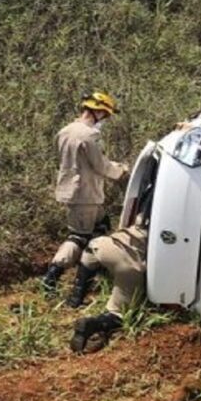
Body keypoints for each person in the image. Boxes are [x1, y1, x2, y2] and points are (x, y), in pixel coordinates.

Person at [42, 91, 128, 295]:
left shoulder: (65, 131)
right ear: (96, 111)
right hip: (85, 194)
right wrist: (122, 171)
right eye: (105, 115)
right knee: (79, 238)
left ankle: (91, 274)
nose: (105, 119)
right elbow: (101, 166)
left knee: (101, 226)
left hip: (72, 191)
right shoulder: (90, 135)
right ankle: (53, 277)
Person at [67, 215, 148, 353]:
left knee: (90, 254)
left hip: (103, 245)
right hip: (128, 263)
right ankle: (96, 325)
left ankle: (75, 298)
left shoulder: (142, 219)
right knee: (121, 313)